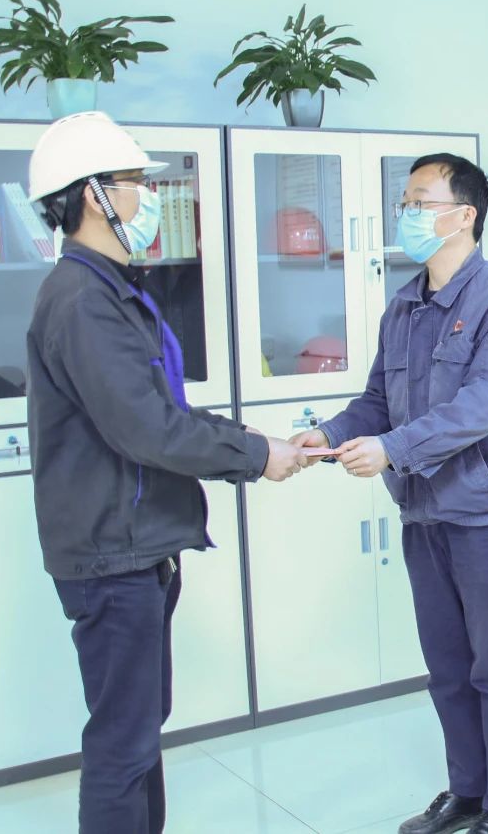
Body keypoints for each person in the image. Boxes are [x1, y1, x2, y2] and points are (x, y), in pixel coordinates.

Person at [24, 111, 307, 834]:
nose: (147, 197)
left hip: (131, 545)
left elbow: (159, 407)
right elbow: (146, 430)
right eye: (134, 183)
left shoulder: (108, 289)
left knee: (139, 729)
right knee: (123, 742)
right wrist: (256, 457)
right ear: (94, 196)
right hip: (111, 553)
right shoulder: (84, 301)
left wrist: (245, 437)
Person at [292, 154, 488, 834]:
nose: (404, 213)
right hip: (424, 514)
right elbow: (378, 398)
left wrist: (392, 449)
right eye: (403, 201)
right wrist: (330, 433)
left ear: (464, 214)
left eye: (419, 201)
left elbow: (482, 404)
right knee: (448, 669)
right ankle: (468, 791)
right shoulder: (404, 305)